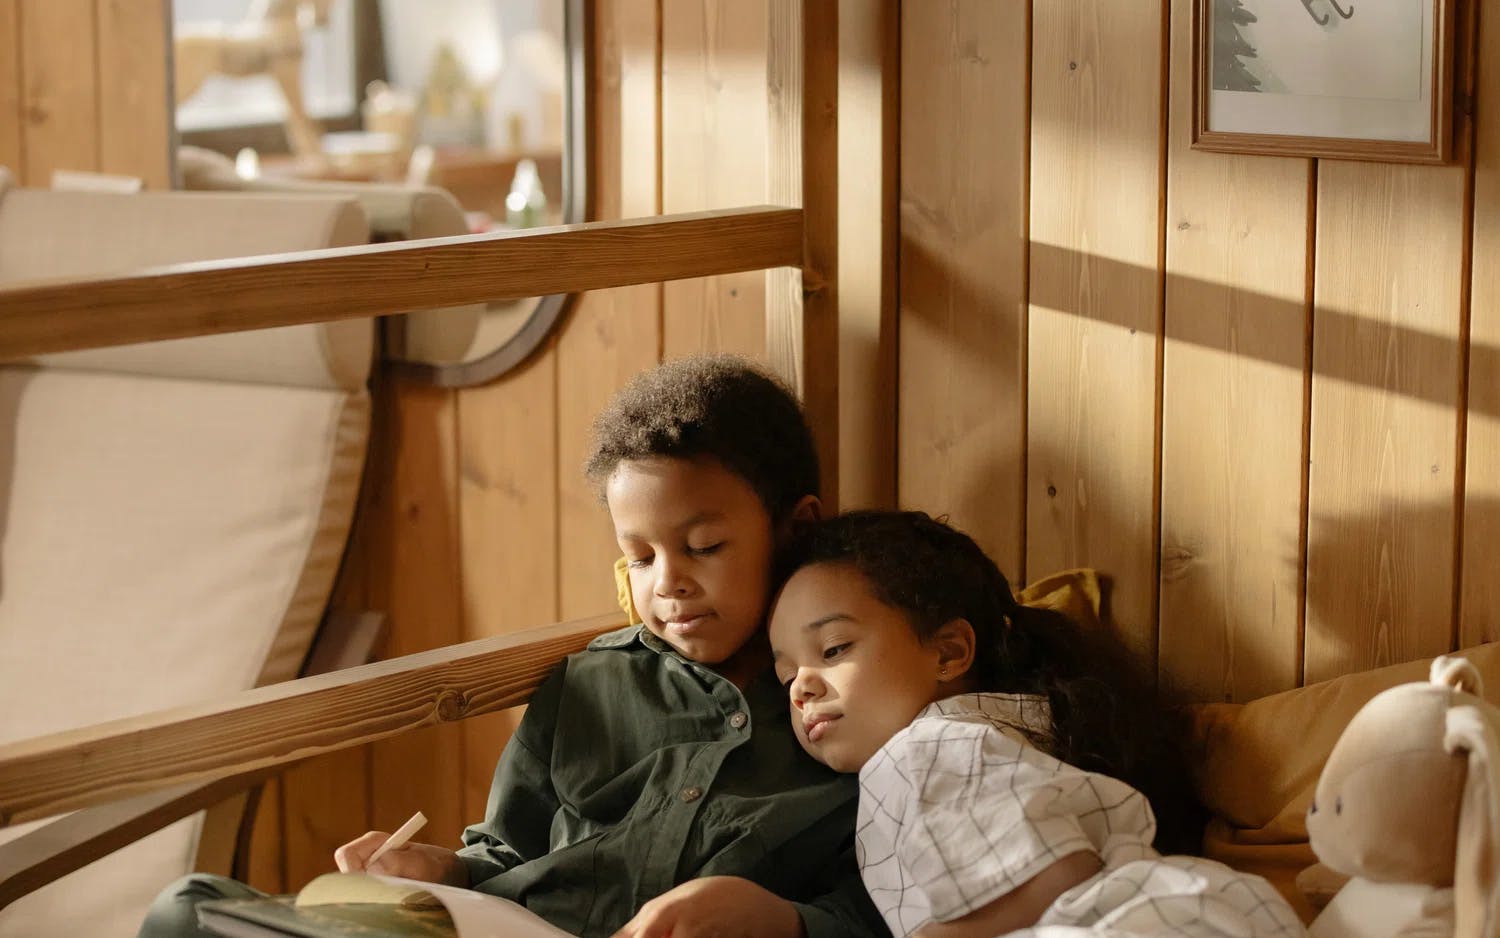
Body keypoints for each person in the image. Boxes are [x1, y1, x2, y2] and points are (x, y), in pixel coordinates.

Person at [137, 355, 887, 938]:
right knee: (188, 907)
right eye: (642, 556)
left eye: (705, 546)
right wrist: (432, 868)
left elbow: (887, 910)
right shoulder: (588, 687)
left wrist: (778, 919)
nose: (671, 583)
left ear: (796, 528)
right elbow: (506, 855)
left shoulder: (854, 712)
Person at [767, 510, 1305, 938]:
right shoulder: (1006, 738)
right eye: (785, 675)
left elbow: (1057, 872)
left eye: (833, 648)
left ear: (949, 653)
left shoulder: (932, 747)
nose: (801, 687)